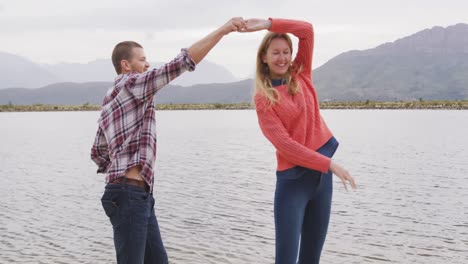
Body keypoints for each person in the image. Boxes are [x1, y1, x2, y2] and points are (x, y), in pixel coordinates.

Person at [90, 17, 246, 264]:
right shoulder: (133, 84)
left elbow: (98, 151)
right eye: (142, 60)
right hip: (130, 194)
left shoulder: (110, 96)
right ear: (125, 65)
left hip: (133, 194)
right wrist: (224, 30)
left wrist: (121, 169)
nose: (147, 64)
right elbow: (180, 63)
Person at [242, 18, 357, 263]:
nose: (282, 58)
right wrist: (331, 165)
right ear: (264, 57)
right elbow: (287, 147)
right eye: (275, 53)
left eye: (286, 52)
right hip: (293, 184)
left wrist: (268, 24)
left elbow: (306, 31)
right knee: (285, 259)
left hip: (321, 183)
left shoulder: (301, 74)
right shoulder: (263, 100)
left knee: (311, 259)